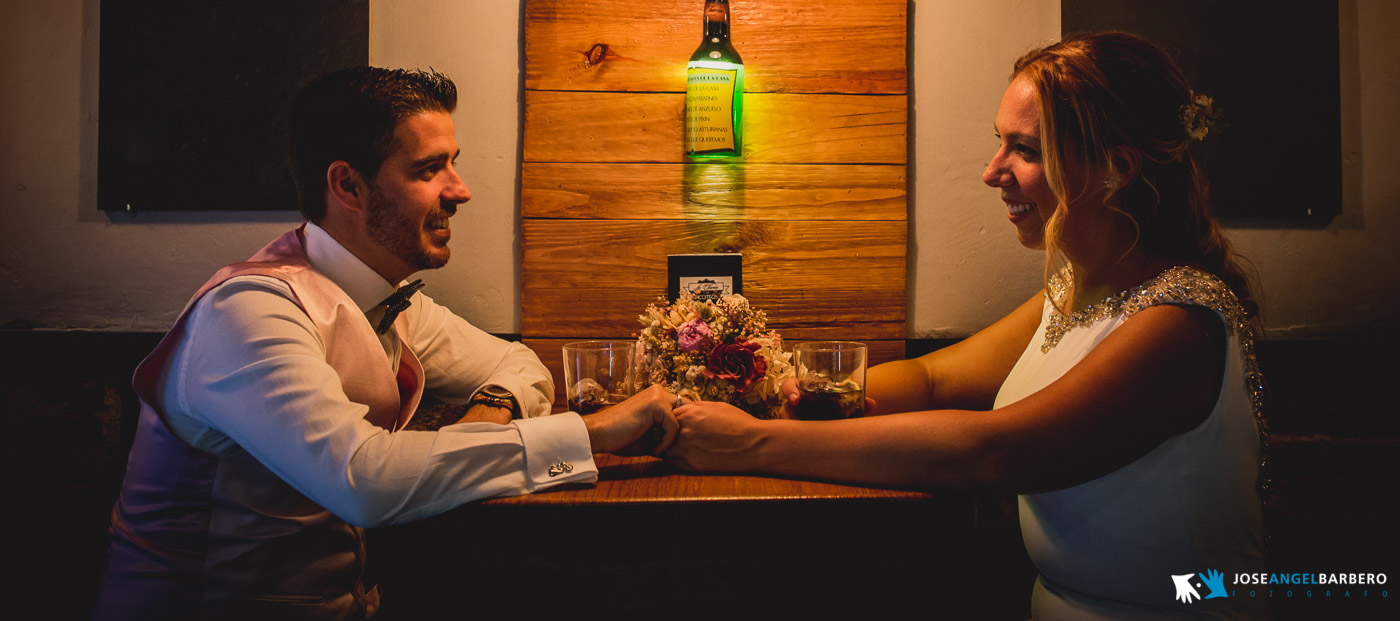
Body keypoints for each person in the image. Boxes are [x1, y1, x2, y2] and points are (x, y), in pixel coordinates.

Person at [668, 32, 1266, 620]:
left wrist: (753, 443)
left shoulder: (1181, 324)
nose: (992, 171)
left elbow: (996, 453)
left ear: (1118, 167)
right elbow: (932, 378)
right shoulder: (1073, 291)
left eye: (1026, 149)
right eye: (1000, 143)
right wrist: (782, 398)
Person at [95, 67, 677, 620]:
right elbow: (363, 481)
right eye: (429, 170)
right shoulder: (248, 313)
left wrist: (489, 411)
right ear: (348, 185)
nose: (461, 190)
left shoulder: (388, 299)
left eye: (454, 164)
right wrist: (594, 433)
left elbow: (515, 361)